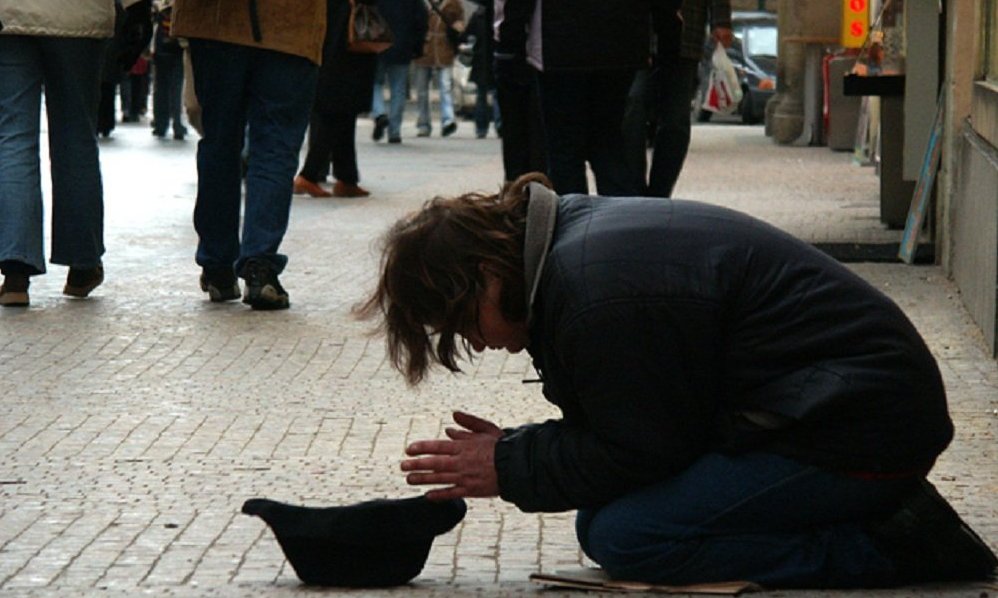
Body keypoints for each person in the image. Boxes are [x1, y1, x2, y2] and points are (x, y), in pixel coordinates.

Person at [356, 173, 998, 588]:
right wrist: (515, 453)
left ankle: (891, 546)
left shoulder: (596, 296)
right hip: (825, 407)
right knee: (600, 521)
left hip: (857, 433)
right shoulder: (568, 252)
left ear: (483, 271)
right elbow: (643, 419)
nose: (477, 341)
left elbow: (645, 446)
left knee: (628, 536)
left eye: (464, 321)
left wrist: (512, 464)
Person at [171, 0, 326, 311]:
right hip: (291, 24)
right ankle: (259, 267)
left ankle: (217, 266)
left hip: (216, 21)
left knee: (219, 142)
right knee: (275, 147)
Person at [0, 0, 132, 307]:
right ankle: (82, 264)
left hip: (10, 13)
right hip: (80, 16)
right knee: (76, 138)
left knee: (13, 137)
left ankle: (16, 268)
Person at [494, 0, 663, 196]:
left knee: (564, 150)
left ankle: (575, 220)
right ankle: (620, 219)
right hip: (622, 38)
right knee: (609, 143)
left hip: (559, 42)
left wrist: (508, 40)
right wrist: (664, 32)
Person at [294, 0, 379, 199]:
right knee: (336, 114)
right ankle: (309, 175)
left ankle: (347, 178)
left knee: (344, 114)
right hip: (344, 53)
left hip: (339, 51)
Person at [647, 0, 732, 197]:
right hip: (635, 29)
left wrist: (721, 20)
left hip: (686, 30)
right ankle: (631, 193)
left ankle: (658, 194)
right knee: (631, 111)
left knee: (675, 120)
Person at [369, 0, 428, 144]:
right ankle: (394, 131)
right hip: (402, 46)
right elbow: (421, 19)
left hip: (378, 44)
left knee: (374, 83)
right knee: (398, 89)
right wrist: (417, 45)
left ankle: (379, 113)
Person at [413, 0, 464, 138]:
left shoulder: (453, 3)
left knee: (445, 87)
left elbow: (459, 23)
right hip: (424, 50)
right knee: (422, 91)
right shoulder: (421, 4)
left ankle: (448, 120)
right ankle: (423, 123)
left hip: (444, 49)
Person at [151, 0, 187, 140]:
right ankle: (177, 124)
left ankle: (161, 124)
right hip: (177, 46)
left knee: (161, 87)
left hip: (161, 47)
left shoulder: (158, 4)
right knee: (176, 87)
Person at [464, 0, 500, 139]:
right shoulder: (499, 16)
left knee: (481, 96)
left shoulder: (477, 16)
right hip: (496, 58)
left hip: (481, 61)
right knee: (497, 95)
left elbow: (467, 36)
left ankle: (481, 128)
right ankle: (499, 124)